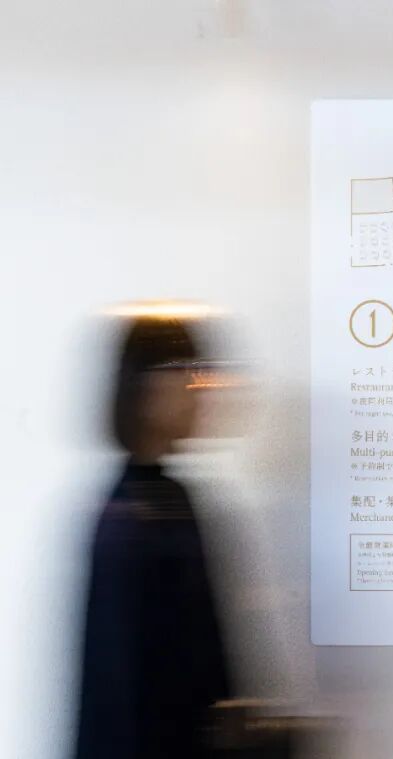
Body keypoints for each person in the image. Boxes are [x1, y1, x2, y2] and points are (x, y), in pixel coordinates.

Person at [75, 313, 231, 759]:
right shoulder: (132, 517)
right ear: (146, 388)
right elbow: (124, 697)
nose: (202, 392)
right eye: (188, 374)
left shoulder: (167, 500)